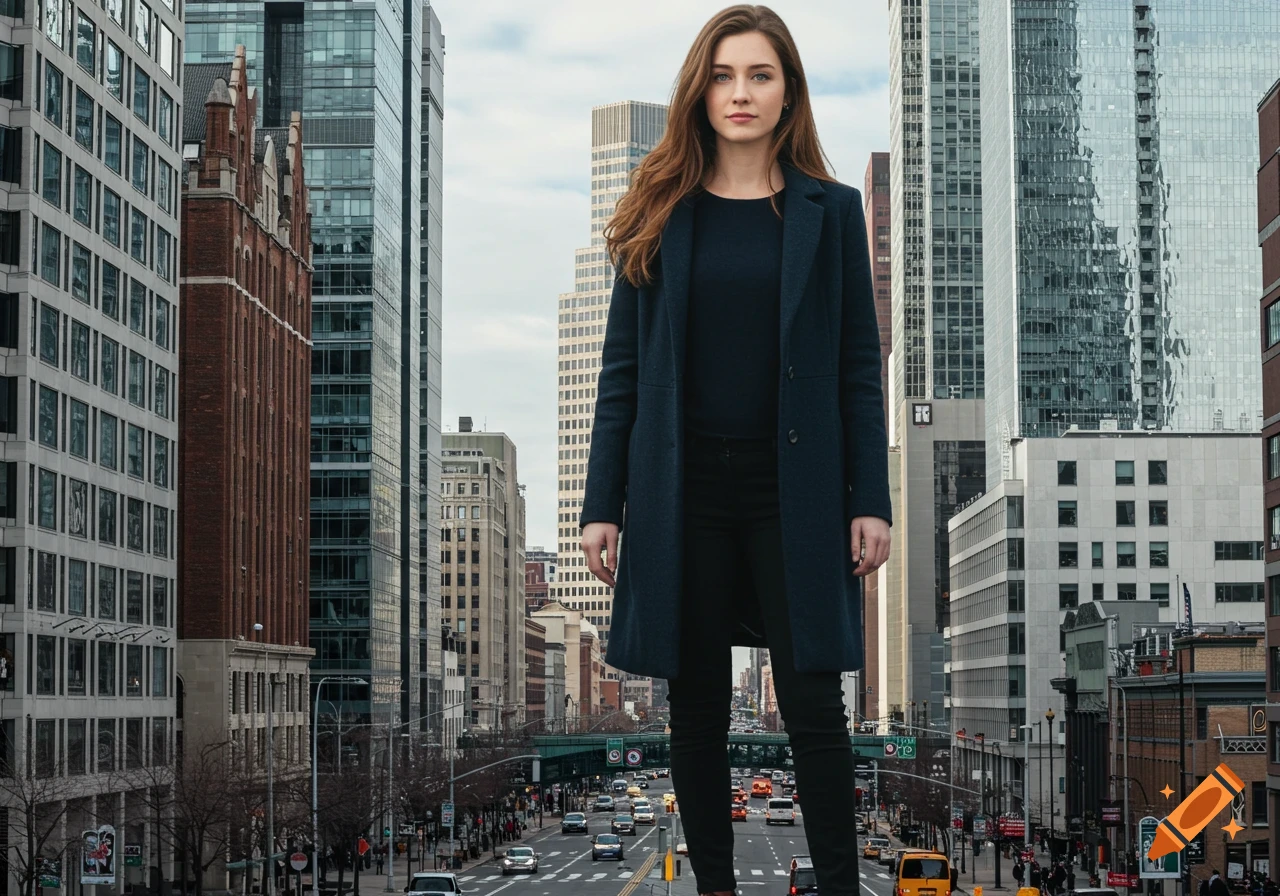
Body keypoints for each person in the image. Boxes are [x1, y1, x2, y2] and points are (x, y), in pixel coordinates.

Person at [578, 7, 891, 896]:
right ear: (700, 90)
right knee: (697, 713)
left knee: (814, 705)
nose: (741, 93)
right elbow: (622, 372)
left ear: (786, 89)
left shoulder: (829, 212)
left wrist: (871, 496)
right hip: (683, 489)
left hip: (795, 488)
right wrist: (604, 505)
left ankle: (838, 886)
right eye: (723, 75)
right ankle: (714, 886)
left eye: (759, 74)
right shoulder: (659, 206)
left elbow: (858, 371)